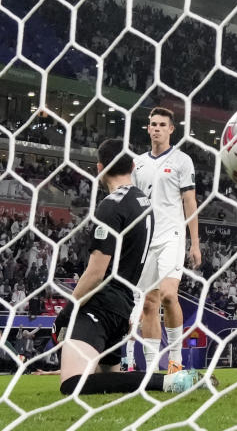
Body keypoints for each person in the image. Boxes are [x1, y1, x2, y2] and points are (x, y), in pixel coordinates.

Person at [54, 139, 206, 395]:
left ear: (100, 168)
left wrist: (66, 313)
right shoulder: (144, 203)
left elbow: (96, 272)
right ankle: (164, 378)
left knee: (72, 384)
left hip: (99, 307)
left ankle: (169, 381)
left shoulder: (111, 206)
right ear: (133, 165)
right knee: (109, 384)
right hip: (121, 307)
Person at [132, 107, 200, 374]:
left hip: (172, 236)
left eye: (162, 124)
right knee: (149, 303)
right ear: (148, 128)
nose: (157, 128)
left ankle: (175, 360)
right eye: (153, 124)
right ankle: (150, 368)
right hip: (145, 240)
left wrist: (194, 243)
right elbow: (133, 204)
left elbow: (190, 201)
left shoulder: (182, 161)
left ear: (171, 129)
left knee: (169, 296)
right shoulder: (137, 163)